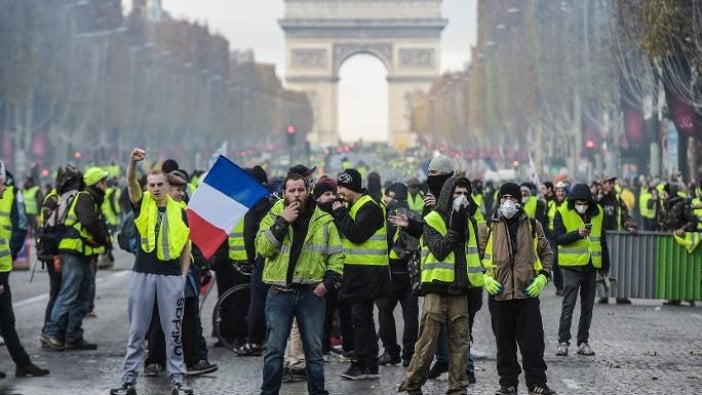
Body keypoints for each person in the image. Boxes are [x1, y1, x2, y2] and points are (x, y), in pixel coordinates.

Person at [110, 148, 193, 395]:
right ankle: (128, 381)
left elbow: (186, 247)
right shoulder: (142, 203)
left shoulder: (181, 211)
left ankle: (178, 380)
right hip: (142, 274)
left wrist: (183, 276)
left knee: (173, 333)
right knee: (137, 331)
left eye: (159, 184)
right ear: (147, 187)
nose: (155, 188)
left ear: (167, 186)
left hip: (170, 277)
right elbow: (129, 182)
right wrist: (132, 163)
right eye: (151, 185)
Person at [256, 172, 345, 395]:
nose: (296, 194)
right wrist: (282, 221)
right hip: (279, 293)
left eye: (301, 190)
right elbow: (262, 248)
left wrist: (327, 284)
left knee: (314, 352)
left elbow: (337, 256)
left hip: (311, 295)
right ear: (284, 193)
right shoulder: (274, 214)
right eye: (292, 190)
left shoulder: (323, 220)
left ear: (308, 191)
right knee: (274, 351)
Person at [398, 176, 477, 395]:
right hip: (436, 288)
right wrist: (455, 229)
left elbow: (472, 256)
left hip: (460, 289)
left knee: (460, 342)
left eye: (465, 194)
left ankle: (458, 386)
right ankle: (413, 383)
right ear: (448, 195)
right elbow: (440, 249)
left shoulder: (469, 220)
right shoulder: (433, 219)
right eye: (457, 193)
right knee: (427, 341)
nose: (461, 198)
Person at [480, 183, 556, 395]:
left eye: (513, 198)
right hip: (499, 295)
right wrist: (485, 279)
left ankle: (537, 382)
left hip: (527, 294)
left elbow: (547, 254)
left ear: (519, 201)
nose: (508, 202)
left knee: (533, 342)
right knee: (504, 344)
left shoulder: (532, 225)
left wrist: (542, 277)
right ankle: (508, 383)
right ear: (498, 200)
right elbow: (475, 259)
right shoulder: (487, 226)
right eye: (504, 197)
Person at [143, 171, 218, 377]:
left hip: (186, 275)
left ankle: (192, 359)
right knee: (159, 318)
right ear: (167, 188)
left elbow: (189, 245)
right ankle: (155, 361)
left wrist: (198, 266)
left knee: (190, 318)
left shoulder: (184, 211)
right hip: (162, 273)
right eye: (177, 189)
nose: (181, 193)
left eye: (183, 189)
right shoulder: (153, 210)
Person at [41, 167, 111, 351]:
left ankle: (73, 336)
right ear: (96, 183)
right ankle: (50, 332)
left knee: (83, 295)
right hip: (72, 251)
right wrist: (104, 238)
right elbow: (89, 222)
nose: (107, 185)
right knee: (68, 293)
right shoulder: (85, 197)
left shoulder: (92, 199)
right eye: (104, 181)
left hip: (83, 253)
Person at [331, 169, 389, 380]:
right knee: (363, 318)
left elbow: (355, 234)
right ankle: (369, 365)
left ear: (353, 187)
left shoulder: (370, 207)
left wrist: (339, 213)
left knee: (360, 319)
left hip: (369, 273)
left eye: (342, 188)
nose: (339, 192)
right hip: (358, 272)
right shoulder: (354, 206)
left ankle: (362, 364)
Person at [0, 164, 50, 379]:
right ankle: (23, 363)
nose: (5, 187)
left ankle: (23, 363)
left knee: (6, 321)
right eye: (2, 183)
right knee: (6, 320)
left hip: (3, 271)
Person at [554, 183, 609, 358]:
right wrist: (577, 234)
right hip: (571, 267)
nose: (581, 204)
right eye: (578, 202)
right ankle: (563, 342)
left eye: (584, 202)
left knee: (588, 307)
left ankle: (583, 342)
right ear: (573, 201)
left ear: (589, 202)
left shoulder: (597, 213)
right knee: (568, 306)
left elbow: (602, 239)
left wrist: (605, 267)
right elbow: (557, 238)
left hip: (591, 266)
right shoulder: (562, 212)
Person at [376, 182, 419, 368]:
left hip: (392, 271)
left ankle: (391, 352)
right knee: (411, 314)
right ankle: (409, 355)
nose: (385, 199)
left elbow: (383, 241)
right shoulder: (415, 215)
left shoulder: (388, 215)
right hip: (411, 273)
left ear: (393, 196)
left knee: (385, 311)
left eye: (387, 196)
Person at [597, 176, 637, 304]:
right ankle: (604, 294)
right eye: (609, 183)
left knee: (620, 267)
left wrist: (630, 225)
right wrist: (597, 199)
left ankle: (620, 295)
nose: (612, 185)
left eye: (613, 183)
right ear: (603, 184)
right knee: (603, 268)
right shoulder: (596, 200)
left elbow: (625, 216)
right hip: (599, 238)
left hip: (617, 238)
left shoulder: (618, 199)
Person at [658, 182, 698, 307]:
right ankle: (673, 297)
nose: (663, 194)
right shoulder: (666, 204)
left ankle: (689, 296)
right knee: (671, 272)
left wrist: (683, 229)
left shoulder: (682, 204)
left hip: (682, 242)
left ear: (670, 192)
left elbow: (693, 221)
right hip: (668, 243)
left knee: (685, 271)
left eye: (665, 192)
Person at [546, 182, 569, 296]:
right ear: (555, 192)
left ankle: (566, 286)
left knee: (564, 263)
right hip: (552, 237)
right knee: (554, 263)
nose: (560, 193)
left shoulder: (569, 204)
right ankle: (559, 287)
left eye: (562, 191)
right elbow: (545, 220)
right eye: (558, 191)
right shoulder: (550, 204)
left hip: (564, 235)